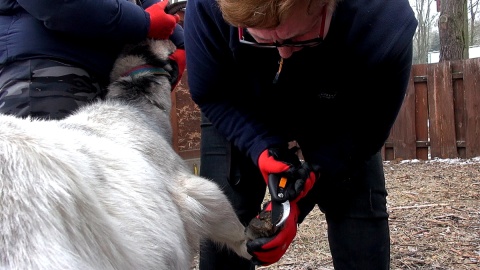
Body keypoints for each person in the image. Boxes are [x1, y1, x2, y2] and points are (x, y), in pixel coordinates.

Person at [184, 0, 418, 269]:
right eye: (260, 37)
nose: (283, 53)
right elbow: (212, 93)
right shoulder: (206, 6)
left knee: (358, 214)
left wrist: (301, 193)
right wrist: (259, 147)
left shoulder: (384, 19)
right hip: (242, 102)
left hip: (338, 106)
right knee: (226, 217)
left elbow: (367, 128)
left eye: (298, 38)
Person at [0, 0, 185, 120]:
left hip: (106, 83)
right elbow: (59, 5)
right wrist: (145, 22)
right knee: (45, 175)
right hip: (49, 75)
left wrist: (181, 42)